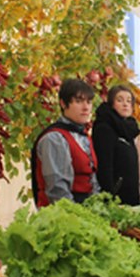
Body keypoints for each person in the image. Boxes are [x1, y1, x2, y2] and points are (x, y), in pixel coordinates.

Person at [31, 79, 99, 207]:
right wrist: (76, 216)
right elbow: (57, 190)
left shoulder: (84, 136)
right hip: (61, 214)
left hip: (85, 210)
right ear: (63, 103)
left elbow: (92, 179)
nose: (86, 107)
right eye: (78, 101)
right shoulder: (54, 138)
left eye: (89, 102)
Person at [92, 85, 140, 205]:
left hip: (130, 193)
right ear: (111, 103)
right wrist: (109, 197)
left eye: (129, 101)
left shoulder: (128, 128)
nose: (125, 104)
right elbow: (104, 166)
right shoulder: (104, 128)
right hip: (116, 198)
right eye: (120, 100)